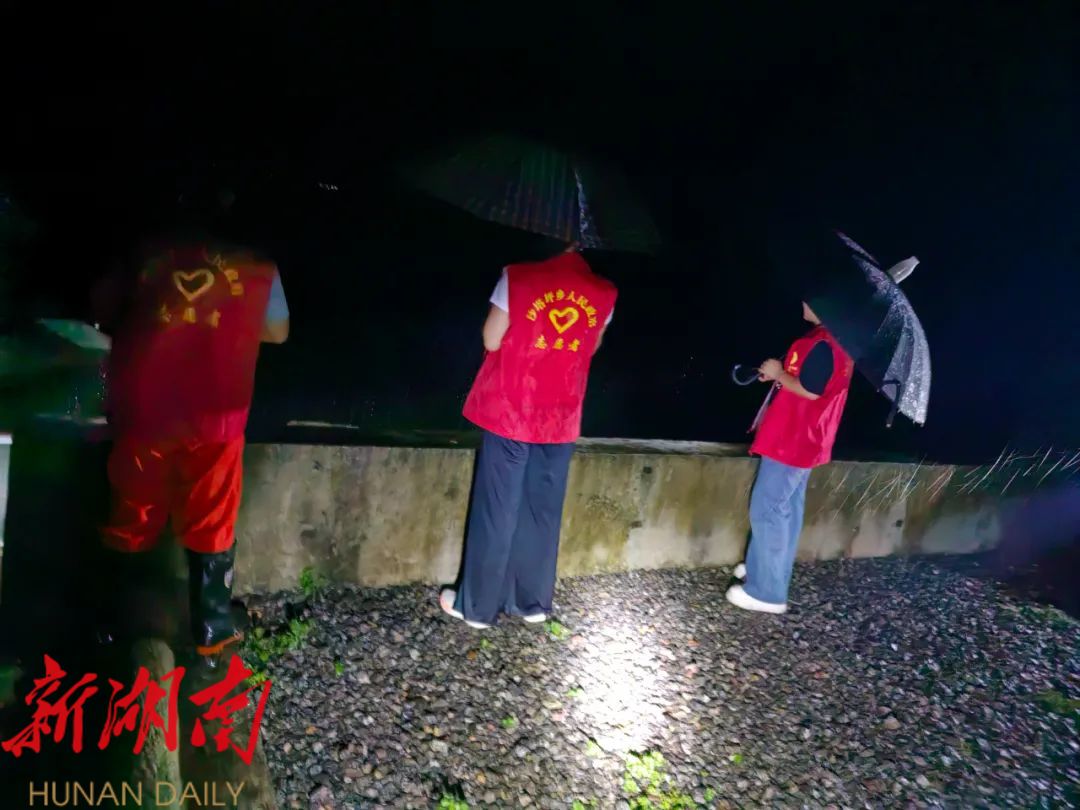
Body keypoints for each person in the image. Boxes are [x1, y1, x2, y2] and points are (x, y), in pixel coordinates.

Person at [93, 189, 289, 662]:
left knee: (134, 505)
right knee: (213, 513)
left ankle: (117, 624)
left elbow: (102, 311)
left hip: (146, 407)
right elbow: (278, 332)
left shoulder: (144, 254)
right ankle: (212, 629)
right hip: (217, 411)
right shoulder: (259, 267)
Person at [727, 255, 917, 614]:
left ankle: (766, 592)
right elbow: (812, 383)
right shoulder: (832, 341)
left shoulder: (824, 344)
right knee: (785, 509)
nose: (804, 300)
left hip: (792, 440)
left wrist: (779, 374)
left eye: (811, 298)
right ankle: (764, 569)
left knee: (769, 509)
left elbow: (811, 391)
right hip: (806, 440)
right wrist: (779, 375)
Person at [440, 242, 616, 628]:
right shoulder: (605, 292)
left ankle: (478, 608)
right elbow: (590, 348)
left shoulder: (518, 276)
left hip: (512, 411)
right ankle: (531, 602)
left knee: (496, 510)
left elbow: (491, 339)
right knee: (542, 512)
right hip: (561, 416)